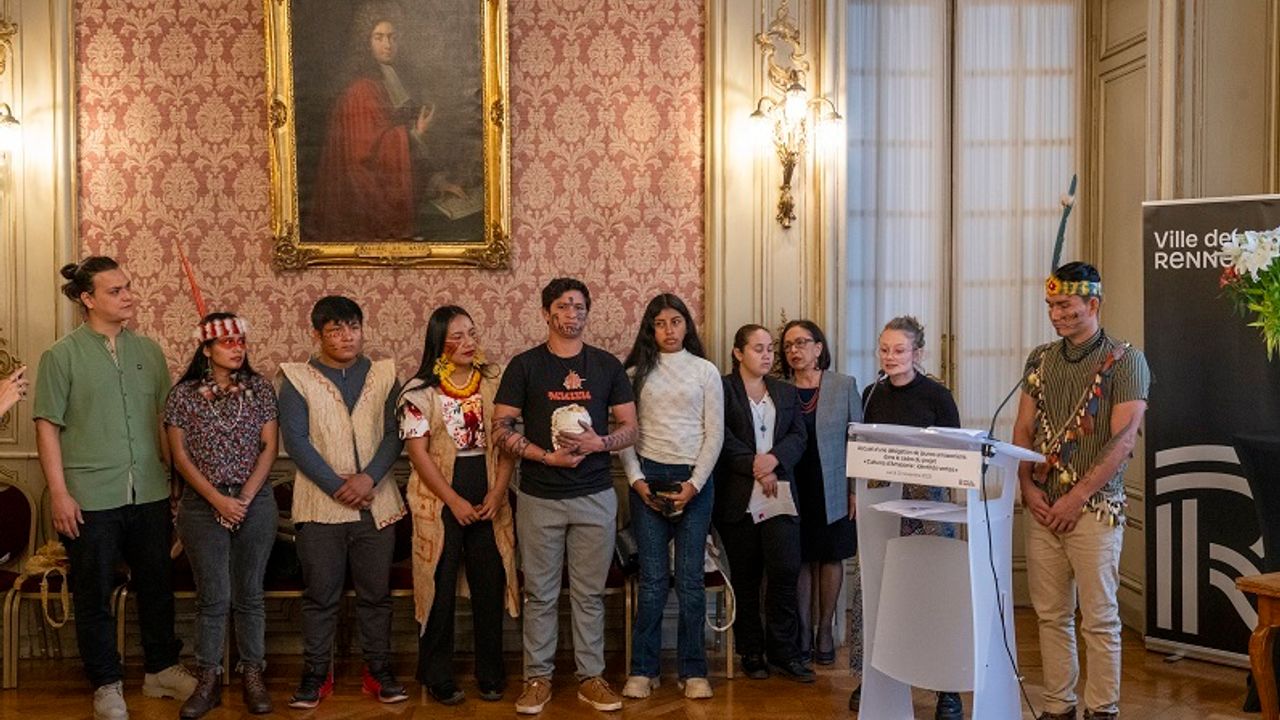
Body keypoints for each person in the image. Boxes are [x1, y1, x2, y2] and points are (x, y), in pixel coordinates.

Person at [32, 257, 196, 720]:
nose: (128, 296)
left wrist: (175, 482)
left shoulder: (149, 351)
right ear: (87, 299)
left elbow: (164, 422)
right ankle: (106, 683)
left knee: (157, 585)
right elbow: (47, 427)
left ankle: (161, 669)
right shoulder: (60, 356)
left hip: (149, 491)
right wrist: (60, 493)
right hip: (88, 497)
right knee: (94, 592)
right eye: (115, 291)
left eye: (128, 287)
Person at [492, 277, 638, 714]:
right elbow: (500, 427)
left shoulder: (607, 366)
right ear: (546, 313)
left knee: (589, 594)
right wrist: (544, 457)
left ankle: (591, 678)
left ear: (587, 313)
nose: (571, 313)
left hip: (595, 494)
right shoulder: (525, 365)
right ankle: (537, 678)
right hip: (539, 496)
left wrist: (600, 443)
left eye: (579, 306)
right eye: (562, 306)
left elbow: (631, 428)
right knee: (539, 593)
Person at [1014, 262, 1149, 720]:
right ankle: (1058, 707)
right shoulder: (1040, 359)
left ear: (1093, 304)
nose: (1056, 315)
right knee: (1051, 616)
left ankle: (1102, 709)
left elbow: (1122, 442)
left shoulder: (1126, 360)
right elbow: (1024, 428)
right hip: (1042, 505)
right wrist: (1027, 485)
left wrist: (1075, 499)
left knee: (1099, 618)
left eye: (1065, 305)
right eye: (1050, 306)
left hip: (1095, 510)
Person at [277, 295, 408, 708]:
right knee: (320, 596)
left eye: (353, 327)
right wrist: (338, 486)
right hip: (319, 506)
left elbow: (395, 433)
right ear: (317, 335)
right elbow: (296, 441)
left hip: (377, 501)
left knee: (376, 595)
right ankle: (316, 674)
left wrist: (368, 478)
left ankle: (378, 671)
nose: (347, 336)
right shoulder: (296, 378)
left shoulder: (385, 375)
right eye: (335, 329)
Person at [398, 306, 518, 706]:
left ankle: (491, 672)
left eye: (472, 333)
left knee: (490, 583)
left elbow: (506, 441)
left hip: (489, 490)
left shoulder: (495, 381)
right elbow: (418, 453)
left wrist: (498, 492)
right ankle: (437, 674)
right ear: (438, 342)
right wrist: (453, 500)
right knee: (438, 584)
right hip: (438, 498)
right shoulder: (418, 391)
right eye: (457, 336)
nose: (468, 342)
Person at [165, 313, 278, 718]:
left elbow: (269, 447)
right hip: (202, 504)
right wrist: (217, 500)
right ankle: (208, 678)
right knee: (213, 596)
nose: (237, 348)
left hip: (254, 501)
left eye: (240, 341)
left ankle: (253, 674)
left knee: (250, 594)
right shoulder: (183, 395)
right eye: (227, 342)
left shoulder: (259, 389)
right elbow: (180, 456)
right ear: (207, 348)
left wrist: (242, 499)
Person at [854, 315, 963, 718]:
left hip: (929, 504)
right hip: (882, 502)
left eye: (899, 350)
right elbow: (860, 447)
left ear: (918, 353)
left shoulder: (938, 396)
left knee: (935, 592)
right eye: (884, 349)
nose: (890, 357)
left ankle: (946, 688)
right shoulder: (870, 394)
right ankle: (874, 679)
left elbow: (956, 454)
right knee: (878, 589)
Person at [618, 294, 724, 700]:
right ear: (650, 329)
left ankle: (693, 671)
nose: (669, 330)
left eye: (676, 322)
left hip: (694, 481)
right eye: (660, 323)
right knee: (652, 581)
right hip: (648, 480)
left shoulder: (705, 371)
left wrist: (694, 484)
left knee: (691, 581)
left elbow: (714, 434)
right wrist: (636, 481)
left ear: (686, 326)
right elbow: (625, 434)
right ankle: (643, 670)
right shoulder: (633, 374)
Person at [308, 0, 463, 241]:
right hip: (367, 207)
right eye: (378, 37)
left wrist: (436, 182)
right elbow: (368, 157)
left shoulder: (392, 79)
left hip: (394, 197)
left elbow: (400, 152)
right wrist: (416, 134)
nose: (387, 45)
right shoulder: (361, 91)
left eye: (392, 37)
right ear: (366, 43)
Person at [714, 324, 812, 683]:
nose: (768, 355)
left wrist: (774, 461)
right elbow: (720, 437)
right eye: (759, 349)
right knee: (746, 578)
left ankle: (785, 653)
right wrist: (755, 465)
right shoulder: (722, 389)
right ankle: (751, 652)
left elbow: (798, 436)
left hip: (779, 495)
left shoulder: (785, 391)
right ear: (739, 353)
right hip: (738, 497)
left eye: (771, 348)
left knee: (784, 573)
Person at [777, 319, 860, 669]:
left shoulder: (843, 385)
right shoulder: (779, 389)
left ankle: (825, 630)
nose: (794, 350)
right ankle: (802, 633)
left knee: (830, 556)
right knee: (799, 558)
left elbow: (857, 440)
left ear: (818, 347)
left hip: (834, 485)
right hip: (794, 485)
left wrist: (855, 490)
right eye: (788, 346)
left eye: (801, 343)